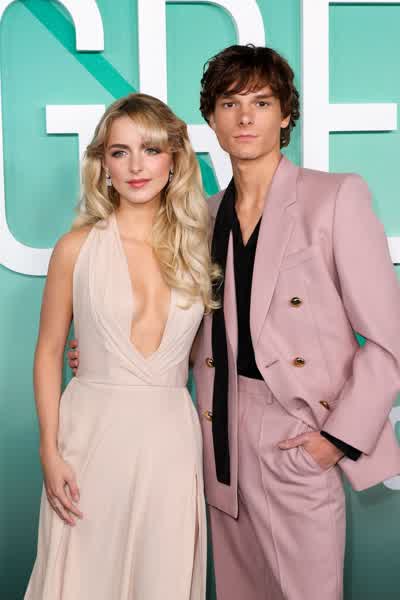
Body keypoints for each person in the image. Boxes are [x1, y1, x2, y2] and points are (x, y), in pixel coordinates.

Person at [69, 46, 400, 600]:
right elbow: (184, 324)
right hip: (215, 429)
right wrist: (109, 350)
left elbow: (389, 340)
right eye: (229, 104)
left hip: (297, 431)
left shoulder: (334, 197)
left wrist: (335, 441)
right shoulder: (198, 216)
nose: (245, 118)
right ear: (211, 119)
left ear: (286, 115)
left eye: (261, 103)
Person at [25, 92, 219, 600]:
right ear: (103, 164)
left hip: (170, 444)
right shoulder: (76, 249)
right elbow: (48, 351)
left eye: (151, 150)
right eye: (120, 151)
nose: (136, 166)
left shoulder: (199, 251)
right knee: (81, 579)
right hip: (89, 439)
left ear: (173, 161)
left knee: (162, 579)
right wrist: (49, 450)